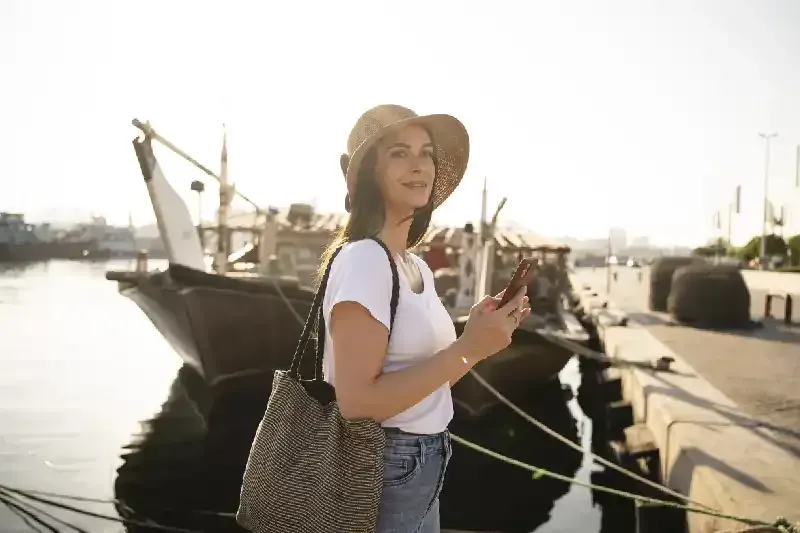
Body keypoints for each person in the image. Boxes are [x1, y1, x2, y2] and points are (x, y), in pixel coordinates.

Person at [319, 104, 530, 533]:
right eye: (399, 152)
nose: (420, 165)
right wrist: (468, 350)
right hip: (383, 464)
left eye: (427, 152)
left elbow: (426, 382)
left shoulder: (414, 267)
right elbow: (356, 403)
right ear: (369, 172)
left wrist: (476, 340)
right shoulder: (365, 260)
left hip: (425, 457)